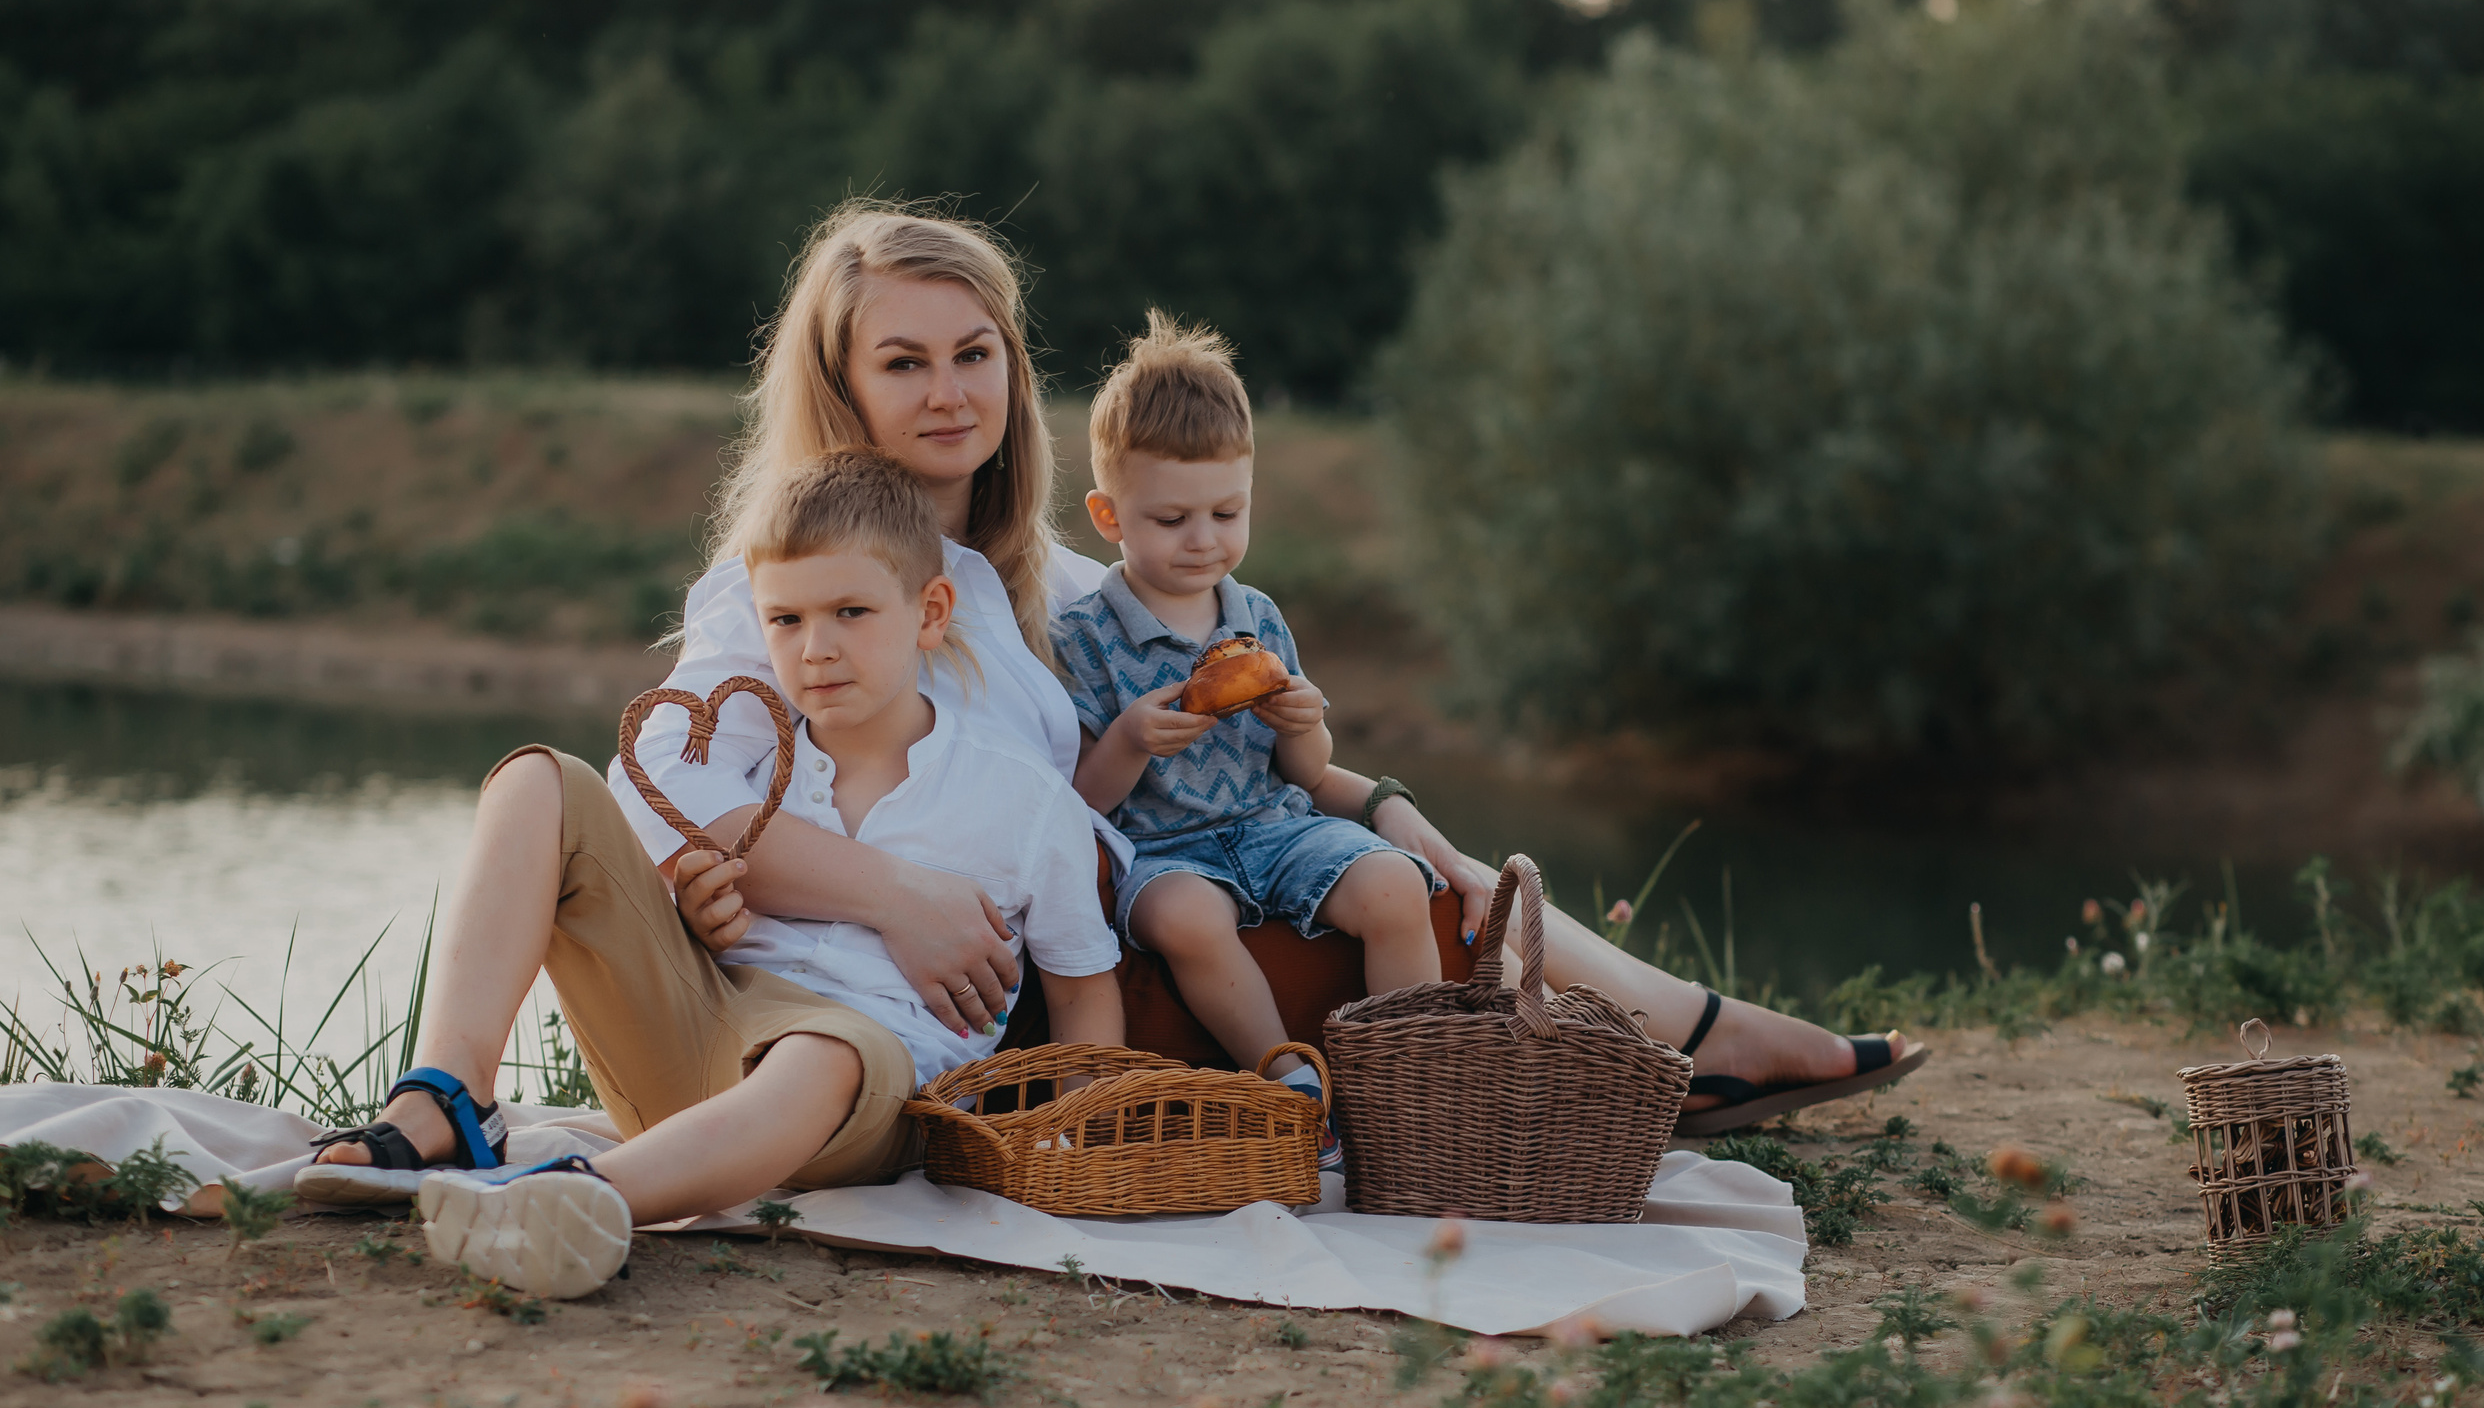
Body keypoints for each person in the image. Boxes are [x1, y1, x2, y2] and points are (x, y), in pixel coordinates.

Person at [308, 202, 1911, 1211]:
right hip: (828, 981)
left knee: (1419, 867)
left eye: (977, 353)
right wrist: (870, 888)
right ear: (844, 385)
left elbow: (1175, 773)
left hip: (984, 977)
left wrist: (1377, 798)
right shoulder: (787, 576)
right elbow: (671, 792)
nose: (950, 391)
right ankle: (442, 1098)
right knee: (535, 780)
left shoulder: (1062, 585)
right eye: (903, 363)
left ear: (1016, 370)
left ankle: (1689, 1036)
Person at [302, 452, 1124, 1298]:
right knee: (537, 778)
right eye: (786, 619)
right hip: (702, 1048)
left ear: (931, 612)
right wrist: (694, 916)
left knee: (825, 1049)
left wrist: (1072, 1140)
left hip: (867, 1094)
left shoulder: (1022, 799)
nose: (817, 649)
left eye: (850, 611)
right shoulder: (752, 774)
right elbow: (690, 926)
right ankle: (449, 1097)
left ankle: (583, 1196)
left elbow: (1084, 991)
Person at [1049, 314, 1440, 1161]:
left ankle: (1407, 1087)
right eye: (1172, 518)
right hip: (1163, 849)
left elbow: (1307, 771)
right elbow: (1082, 799)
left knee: (1393, 885)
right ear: (1109, 516)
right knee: (1186, 917)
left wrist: (1306, 721)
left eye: (1228, 511)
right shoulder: (1083, 637)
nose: (1204, 539)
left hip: (1274, 826)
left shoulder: (1256, 617)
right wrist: (1130, 737)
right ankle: (1285, 1077)